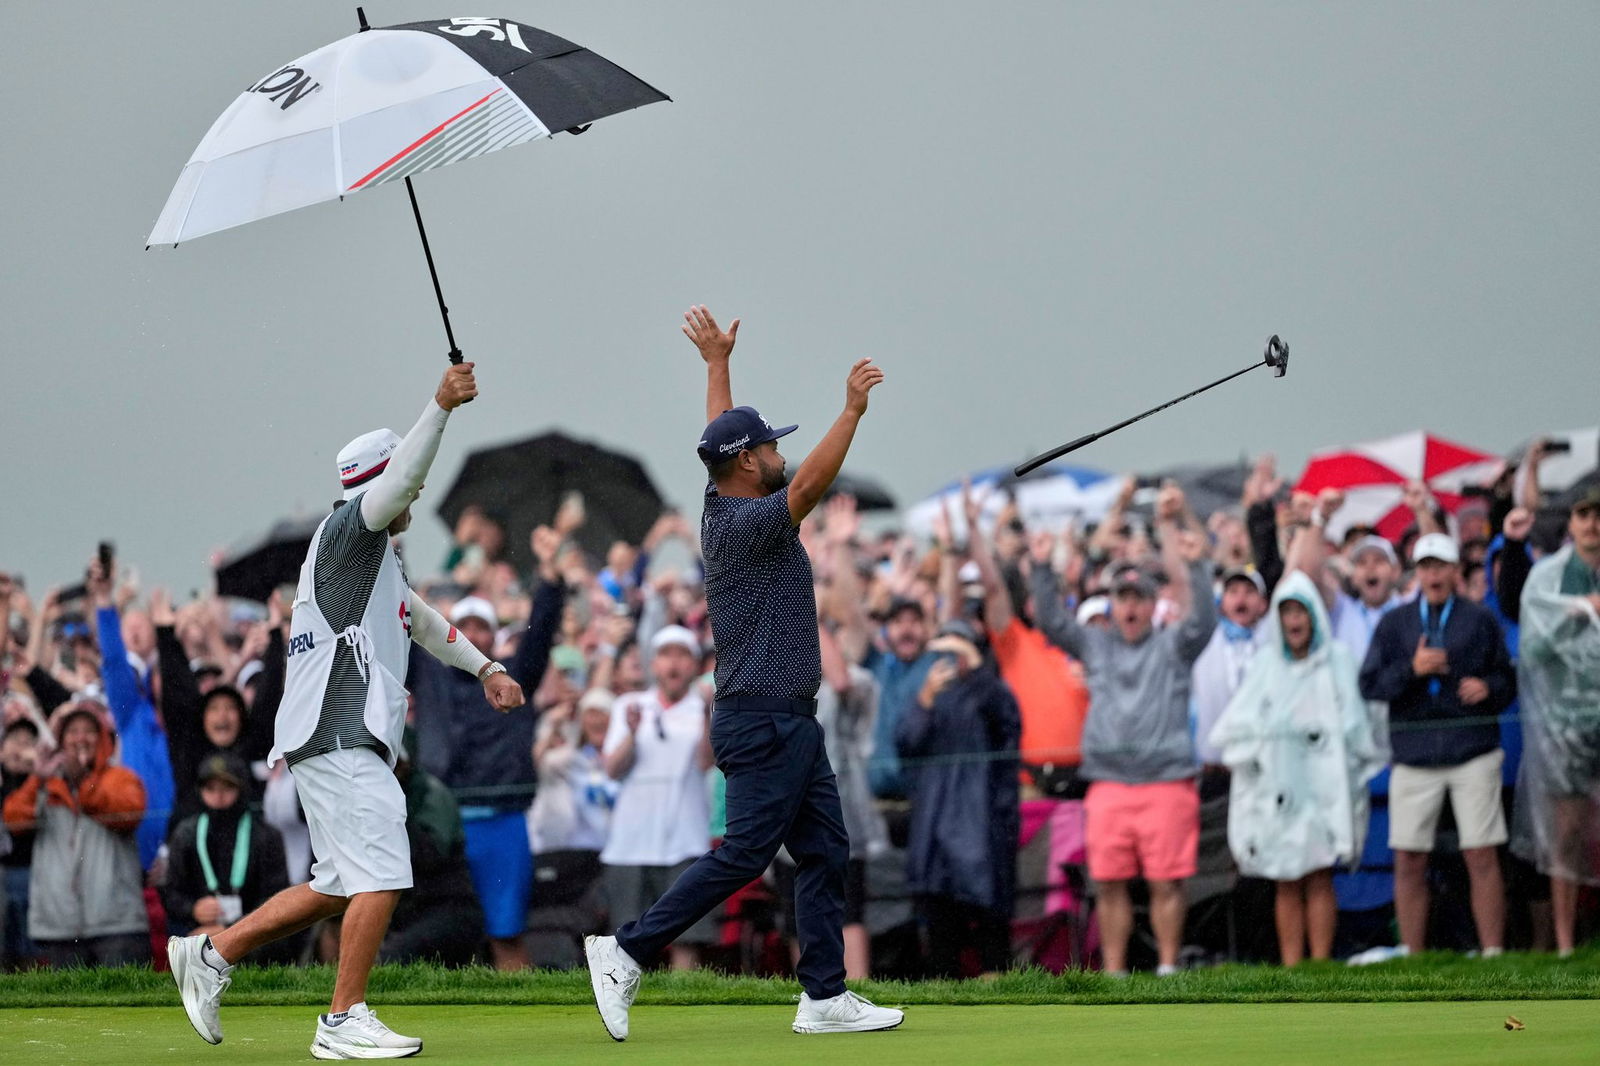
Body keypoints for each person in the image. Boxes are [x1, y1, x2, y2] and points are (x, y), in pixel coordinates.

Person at [167, 363, 526, 1059]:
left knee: (338, 886)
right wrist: (440, 406)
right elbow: (403, 480)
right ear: (381, 484)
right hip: (338, 737)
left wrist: (486, 667)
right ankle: (341, 1019)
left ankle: (211, 955)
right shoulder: (349, 532)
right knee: (385, 868)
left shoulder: (376, 557)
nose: (413, 495)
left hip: (331, 741)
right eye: (403, 485)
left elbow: (422, 622)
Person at [586, 305, 902, 1039]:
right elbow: (809, 487)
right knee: (746, 855)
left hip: (787, 719)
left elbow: (720, 438)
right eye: (769, 446)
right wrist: (850, 412)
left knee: (825, 850)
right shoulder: (748, 522)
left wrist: (716, 365)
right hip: (762, 718)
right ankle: (625, 950)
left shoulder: (726, 492)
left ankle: (823, 995)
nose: (778, 452)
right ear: (750, 463)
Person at [1029, 492, 1217, 976]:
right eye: (1122, 598)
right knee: (1108, 883)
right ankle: (1114, 973)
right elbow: (1050, 621)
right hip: (1109, 783)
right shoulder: (1094, 643)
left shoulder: (1174, 644)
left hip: (1167, 782)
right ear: (1111, 604)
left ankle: (1168, 969)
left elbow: (1204, 621)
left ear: (1153, 605)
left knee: (1166, 882)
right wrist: (1042, 568)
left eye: (1139, 598)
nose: (1130, 606)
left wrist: (1199, 568)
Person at [1209, 572, 1386, 965]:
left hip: (1323, 789)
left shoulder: (1337, 660)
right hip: (1280, 790)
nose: (1294, 620)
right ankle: (1292, 967)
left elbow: (1356, 723)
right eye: (1287, 612)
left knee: (1320, 873)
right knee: (1286, 876)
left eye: (1300, 611)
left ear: (1313, 615)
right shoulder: (1266, 664)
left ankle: (1319, 965)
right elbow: (1240, 722)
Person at [410, 523, 565, 972]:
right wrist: (392, 558)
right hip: (441, 823)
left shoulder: (516, 676)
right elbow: (403, 622)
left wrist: (549, 573)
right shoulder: (428, 675)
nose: (474, 635)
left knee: (506, 933)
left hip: (502, 822)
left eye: (483, 627)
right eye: (464, 628)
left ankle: (524, 1013)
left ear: (496, 637)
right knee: (437, 936)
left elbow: (541, 632)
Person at [1358, 533, 1516, 960]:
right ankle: (1412, 952)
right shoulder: (1395, 624)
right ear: (1417, 572)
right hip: (1414, 755)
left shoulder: (1479, 619)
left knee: (1480, 851)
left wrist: (1488, 688)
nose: (1433, 575)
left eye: (1440, 566)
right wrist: (1411, 669)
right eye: (1426, 567)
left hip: (1472, 750)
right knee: (1409, 857)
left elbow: (1507, 679)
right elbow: (1370, 684)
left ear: (1454, 571)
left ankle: (1493, 951)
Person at [896, 619, 1021, 977]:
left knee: (991, 927)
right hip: (934, 827)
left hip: (982, 825)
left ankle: (996, 990)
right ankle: (945, 992)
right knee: (941, 930)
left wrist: (977, 665)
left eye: (959, 651)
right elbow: (907, 743)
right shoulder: (926, 694)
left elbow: (1006, 724)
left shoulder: (991, 691)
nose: (952, 660)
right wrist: (924, 701)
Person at [1512, 485, 1600, 956]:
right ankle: (1566, 945)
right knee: (1567, 836)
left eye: (1599, 515)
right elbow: (1531, 653)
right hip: (1566, 725)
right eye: (1584, 514)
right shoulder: (1546, 579)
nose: (1593, 524)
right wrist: (1579, 612)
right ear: (1571, 522)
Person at [599, 626, 718, 971]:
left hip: (685, 839)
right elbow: (612, 769)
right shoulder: (629, 705)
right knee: (626, 940)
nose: (674, 663)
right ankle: (624, 1000)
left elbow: (706, 762)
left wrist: (706, 716)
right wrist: (632, 733)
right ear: (654, 664)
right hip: (630, 843)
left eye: (682, 655)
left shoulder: (705, 708)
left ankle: (682, 1003)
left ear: (693, 664)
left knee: (687, 938)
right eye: (666, 655)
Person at [2, 697, 149, 967]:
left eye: (89, 731)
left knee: (123, 995)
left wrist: (82, 780)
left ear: (103, 739)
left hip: (117, 925)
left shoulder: (121, 778)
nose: (80, 738)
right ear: (60, 741)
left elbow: (128, 813)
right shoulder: (45, 783)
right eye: (72, 732)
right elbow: (14, 820)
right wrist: (37, 778)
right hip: (60, 928)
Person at [162, 754, 291, 958]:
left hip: (256, 943)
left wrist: (230, 929)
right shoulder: (186, 834)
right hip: (199, 935)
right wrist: (192, 909)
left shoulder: (266, 836)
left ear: (242, 789)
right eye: (210, 789)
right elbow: (171, 893)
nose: (218, 796)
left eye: (227, 788)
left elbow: (276, 897)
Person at [379, 738, 485, 968]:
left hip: (448, 909)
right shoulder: (378, 797)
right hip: (406, 912)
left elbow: (430, 856)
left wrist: (391, 814)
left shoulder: (430, 792)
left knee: (390, 959)